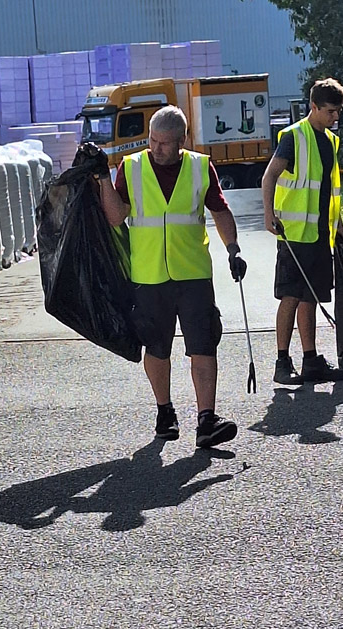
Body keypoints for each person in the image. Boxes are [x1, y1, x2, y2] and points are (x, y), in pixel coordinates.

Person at [95, 105, 248, 449]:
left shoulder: (199, 166)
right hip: (149, 276)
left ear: (182, 140)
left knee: (204, 344)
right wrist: (104, 177)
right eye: (153, 140)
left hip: (193, 272)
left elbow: (220, 210)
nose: (158, 148)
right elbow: (116, 217)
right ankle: (165, 411)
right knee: (157, 347)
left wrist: (233, 249)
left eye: (166, 143)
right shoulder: (131, 168)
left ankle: (207, 420)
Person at [261, 77, 343, 385]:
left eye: (338, 111)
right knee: (290, 296)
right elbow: (269, 176)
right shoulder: (294, 137)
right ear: (313, 107)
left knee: (310, 297)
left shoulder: (330, 141)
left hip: (318, 235)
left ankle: (310, 360)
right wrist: (268, 214)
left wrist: (338, 224)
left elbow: (330, 189)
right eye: (330, 111)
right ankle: (282, 362)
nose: (335, 117)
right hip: (294, 234)